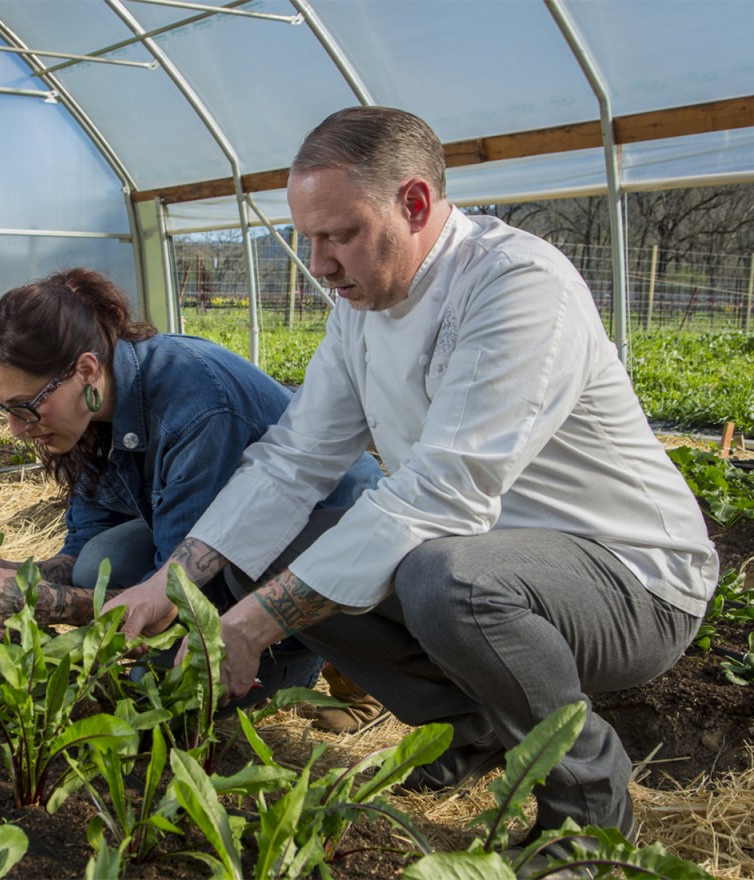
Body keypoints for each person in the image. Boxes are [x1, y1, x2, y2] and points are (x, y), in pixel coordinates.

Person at [105, 107, 718, 844]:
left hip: (632, 580)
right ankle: (475, 727)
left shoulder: (517, 285)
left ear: (415, 203)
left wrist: (251, 625)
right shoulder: (363, 305)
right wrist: (172, 587)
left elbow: (443, 490)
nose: (321, 265)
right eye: (310, 240)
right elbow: (293, 459)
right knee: (265, 555)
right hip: (491, 560)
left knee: (442, 576)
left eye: (341, 236)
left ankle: (587, 804)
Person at [0, 267, 385, 710]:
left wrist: (48, 605)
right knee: (101, 560)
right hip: (224, 542)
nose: (15, 429)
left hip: (323, 536)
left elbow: (186, 595)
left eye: (25, 407)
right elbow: (88, 540)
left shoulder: (195, 407)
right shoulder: (89, 412)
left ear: (85, 370)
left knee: (166, 692)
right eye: (2, 407)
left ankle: (312, 652)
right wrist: (17, 577)